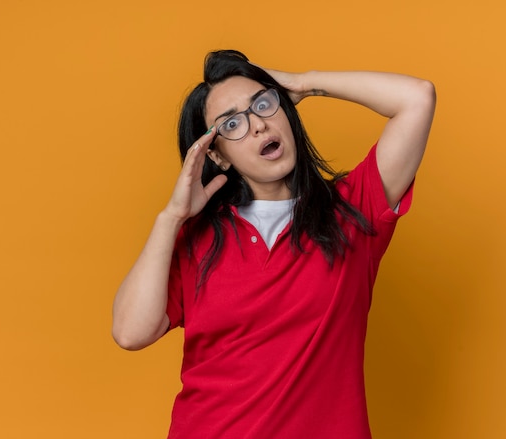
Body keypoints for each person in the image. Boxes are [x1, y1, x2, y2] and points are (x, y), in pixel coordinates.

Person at [112, 49, 436, 438]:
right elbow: (130, 333)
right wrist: (171, 218)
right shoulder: (198, 238)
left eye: (264, 104)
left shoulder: (352, 212)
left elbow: (417, 98)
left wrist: (303, 83)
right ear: (217, 154)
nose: (258, 126)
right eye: (232, 124)